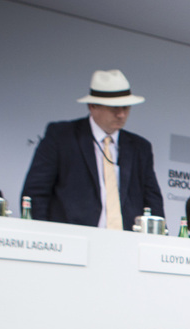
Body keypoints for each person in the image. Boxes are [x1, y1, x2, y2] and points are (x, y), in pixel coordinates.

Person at [21, 70, 162, 230]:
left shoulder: (140, 147)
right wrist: (42, 237)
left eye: (126, 107)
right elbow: (36, 193)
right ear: (93, 106)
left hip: (125, 243)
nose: (121, 114)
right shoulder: (62, 136)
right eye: (114, 108)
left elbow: (153, 201)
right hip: (71, 239)